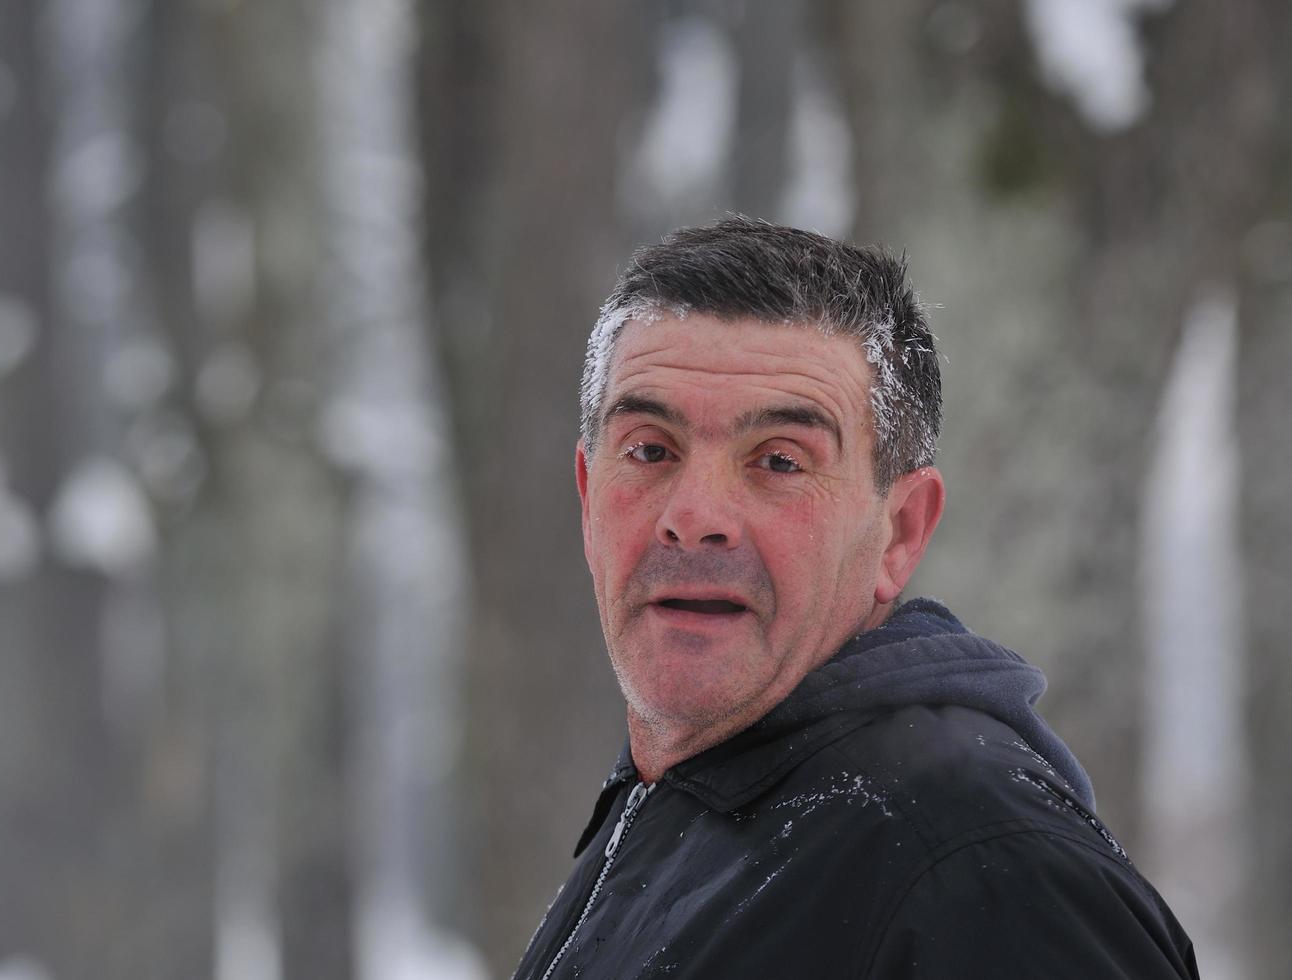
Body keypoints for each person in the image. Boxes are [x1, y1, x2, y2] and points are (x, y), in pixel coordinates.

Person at [510, 216, 1199, 979]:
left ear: (901, 531)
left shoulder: (981, 871)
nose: (693, 518)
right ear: (587, 494)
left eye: (778, 460)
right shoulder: (675, 806)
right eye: (649, 450)